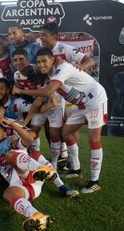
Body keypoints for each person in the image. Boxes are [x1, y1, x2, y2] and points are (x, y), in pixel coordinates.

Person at [12, 48, 108, 193]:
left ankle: (95, 181)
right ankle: (76, 169)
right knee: (66, 133)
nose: (41, 64)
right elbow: (40, 97)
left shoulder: (62, 68)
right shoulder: (49, 75)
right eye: (38, 62)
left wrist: (21, 91)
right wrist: (26, 122)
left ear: (52, 60)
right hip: (81, 104)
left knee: (93, 140)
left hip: (95, 100)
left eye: (45, 61)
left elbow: (46, 92)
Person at [40, 22, 97, 162]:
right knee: (53, 128)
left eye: (44, 35)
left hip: (71, 95)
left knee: (70, 130)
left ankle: (72, 160)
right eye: (40, 35)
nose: (41, 38)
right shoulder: (41, 51)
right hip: (54, 95)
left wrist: (79, 68)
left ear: (54, 36)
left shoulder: (65, 49)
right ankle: (62, 156)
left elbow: (90, 61)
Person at [0, 121, 56, 230]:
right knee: (8, 194)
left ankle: (41, 169)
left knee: (9, 155)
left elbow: (28, 139)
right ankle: (37, 216)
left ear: (5, 134)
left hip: (32, 173)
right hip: (24, 186)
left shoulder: (12, 140)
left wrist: (11, 124)